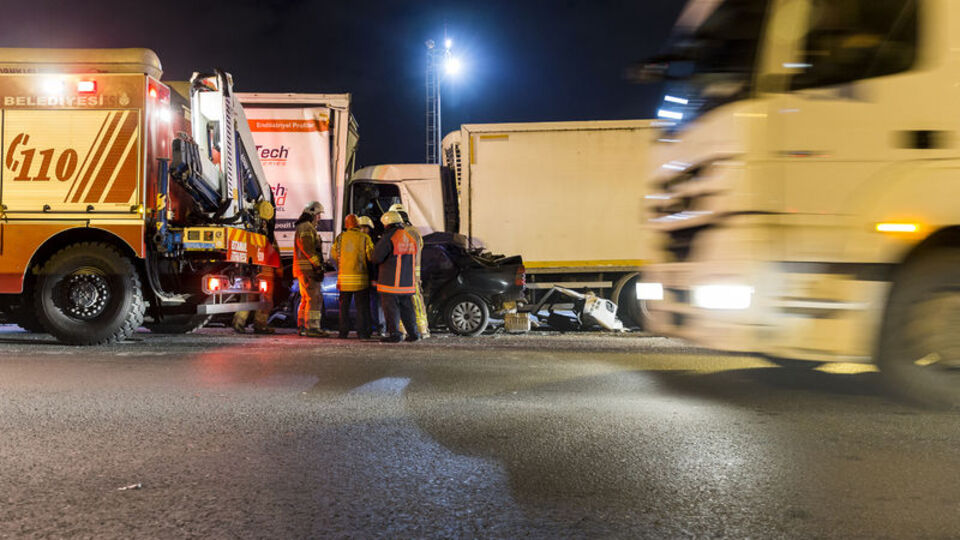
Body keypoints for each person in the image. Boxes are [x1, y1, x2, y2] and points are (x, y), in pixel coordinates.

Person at [372, 211, 420, 343]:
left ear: (387, 224)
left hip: (391, 283)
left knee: (390, 309)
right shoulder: (408, 237)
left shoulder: (389, 237)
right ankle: (414, 333)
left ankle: (395, 334)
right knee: (407, 309)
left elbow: (376, 257)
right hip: (407, 283)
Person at [234, 200, 280, 334]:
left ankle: (238, 322)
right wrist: (279, 269)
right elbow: (274, 253)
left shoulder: (249, 230)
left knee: (248, 297)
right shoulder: (268, 235)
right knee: (266, 300)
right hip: (265, 271)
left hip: (250, 270)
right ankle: (260, 325)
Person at [388, 203, 430, 338]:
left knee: (403, 303)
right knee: (417, 301)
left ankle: (404, 331)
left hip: (404, 274)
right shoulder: (415, 231)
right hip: (415, 275)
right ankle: (423, 330)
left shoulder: (401, 233)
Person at [329, 214, 374, 339]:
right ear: (358, 224)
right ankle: (362, 333)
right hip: (360, 280)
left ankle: (343, 333)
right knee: (362, 308)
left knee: (344, 308)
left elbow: (333, 255)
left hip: (344, 281)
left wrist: (341, 266)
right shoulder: (364, 238)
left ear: (346, 225)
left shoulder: (340, 238)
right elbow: (371, 256)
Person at [293, 201, 327, 337]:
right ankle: (312, 327)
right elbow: (308, 249)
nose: (319, 218)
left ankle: (301, 325)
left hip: (303, 270)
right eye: (318, 215)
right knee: (314, 299)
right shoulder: (307, 228)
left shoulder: (303, 227)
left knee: (306, 298)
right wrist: (318, 266)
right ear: (312, 214)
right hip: (308, 270)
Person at [357, 215, 384, 336]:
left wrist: (374, 278)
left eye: (365, 228)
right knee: (366, 305)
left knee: (376, 304)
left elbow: (374, 262)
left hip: (371, 277)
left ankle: (379, 328)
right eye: (360, 228)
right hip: (362, 277)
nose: (363, 230)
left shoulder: (374, 241)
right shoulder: (360, 240)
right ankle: (370, 328)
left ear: (370, 228)